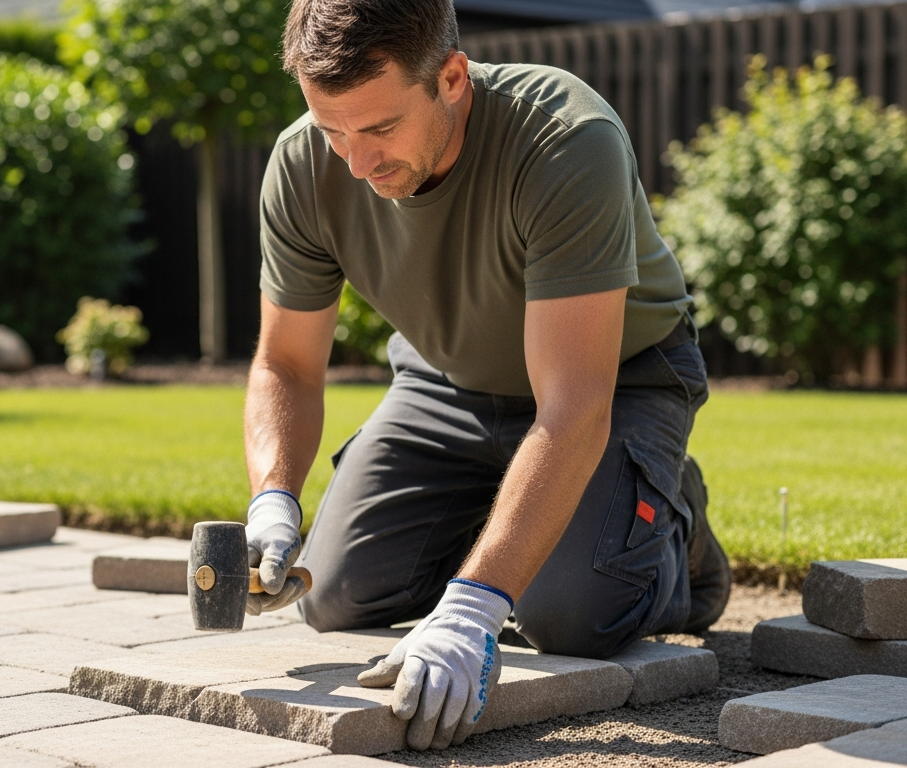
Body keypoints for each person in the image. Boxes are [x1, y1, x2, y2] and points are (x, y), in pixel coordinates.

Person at [239, 0, 732, 752]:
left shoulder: (566, 140)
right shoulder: (305, 163)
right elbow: (285, 363)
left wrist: (472, 609)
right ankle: (523, 522)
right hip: (446, 382)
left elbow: (571, 408)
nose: (356, 161)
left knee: (570, 615)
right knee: (333, 594)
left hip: (616, 381)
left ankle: (674, 525)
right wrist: (274, 499)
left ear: (452, 77)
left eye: (378, 128)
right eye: (333, 129)